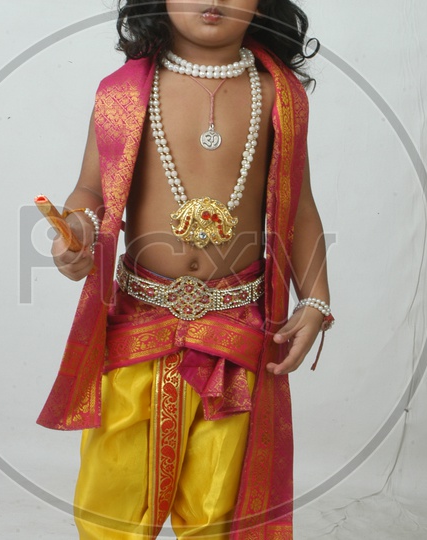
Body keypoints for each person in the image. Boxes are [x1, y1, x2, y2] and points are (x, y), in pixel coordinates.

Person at [37, 1, 332, 538]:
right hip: (137, 323)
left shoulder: (278, 95)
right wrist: (78, 230)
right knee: (114, 495)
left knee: (219, 503)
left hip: (235, 333)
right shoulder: (124, 92)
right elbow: (90, 189)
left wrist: (315, 300)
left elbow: (301, 206)